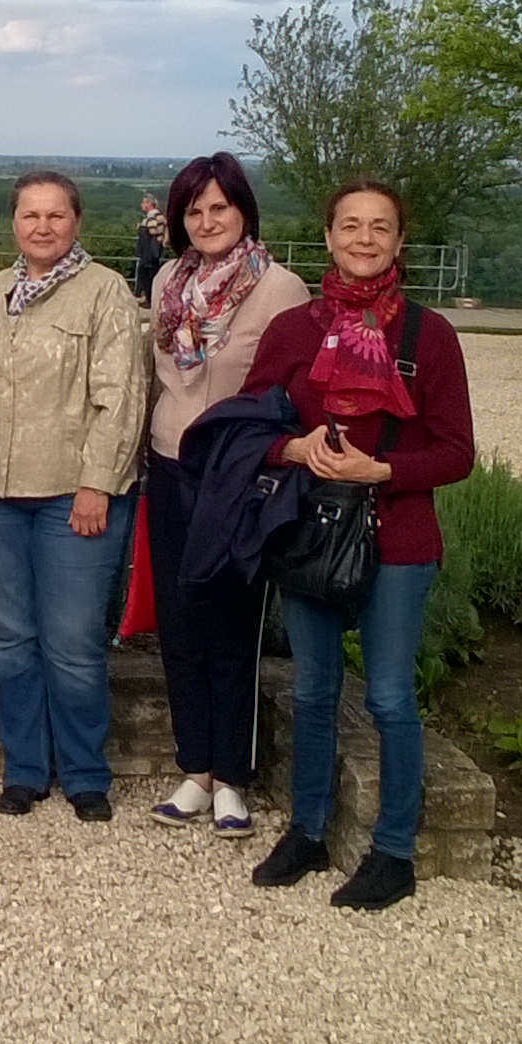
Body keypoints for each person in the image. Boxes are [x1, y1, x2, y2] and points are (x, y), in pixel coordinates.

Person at [240, 177, 474, 911]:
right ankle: (308, 830)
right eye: (350, 226)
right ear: (329, 237)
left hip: (397, 538)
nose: (364, 239)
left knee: (391, 698)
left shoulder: (430, 337)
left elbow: (457, 452)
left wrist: (385, 471)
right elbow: (248, 430)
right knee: (313, 689)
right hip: (312, 534)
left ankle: (394, 853)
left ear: (400, 242)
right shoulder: (294, 331)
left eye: (379, 227)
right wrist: (294, 449)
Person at [0, 170, 149, 821]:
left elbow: (120, 397)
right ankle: (25, 769)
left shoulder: (105, 292)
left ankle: (85, 772)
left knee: (72, 640)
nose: (42, 227)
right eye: (30, 215)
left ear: (77, 222)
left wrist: (98, 482)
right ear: (14, 222)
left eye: (56, 215)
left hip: (73, 493)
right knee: (11, 639)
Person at [140, 153, 310, 839]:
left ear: (243, 211)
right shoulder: (166, 282)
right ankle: (196, 767)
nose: (207, 221)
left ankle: (233, 776)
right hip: (170, 465)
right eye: (194, 210)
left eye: (220, 208)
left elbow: (289, 395)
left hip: (236, 477)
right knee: (180, 621)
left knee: (232, 623)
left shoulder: (281, 290)